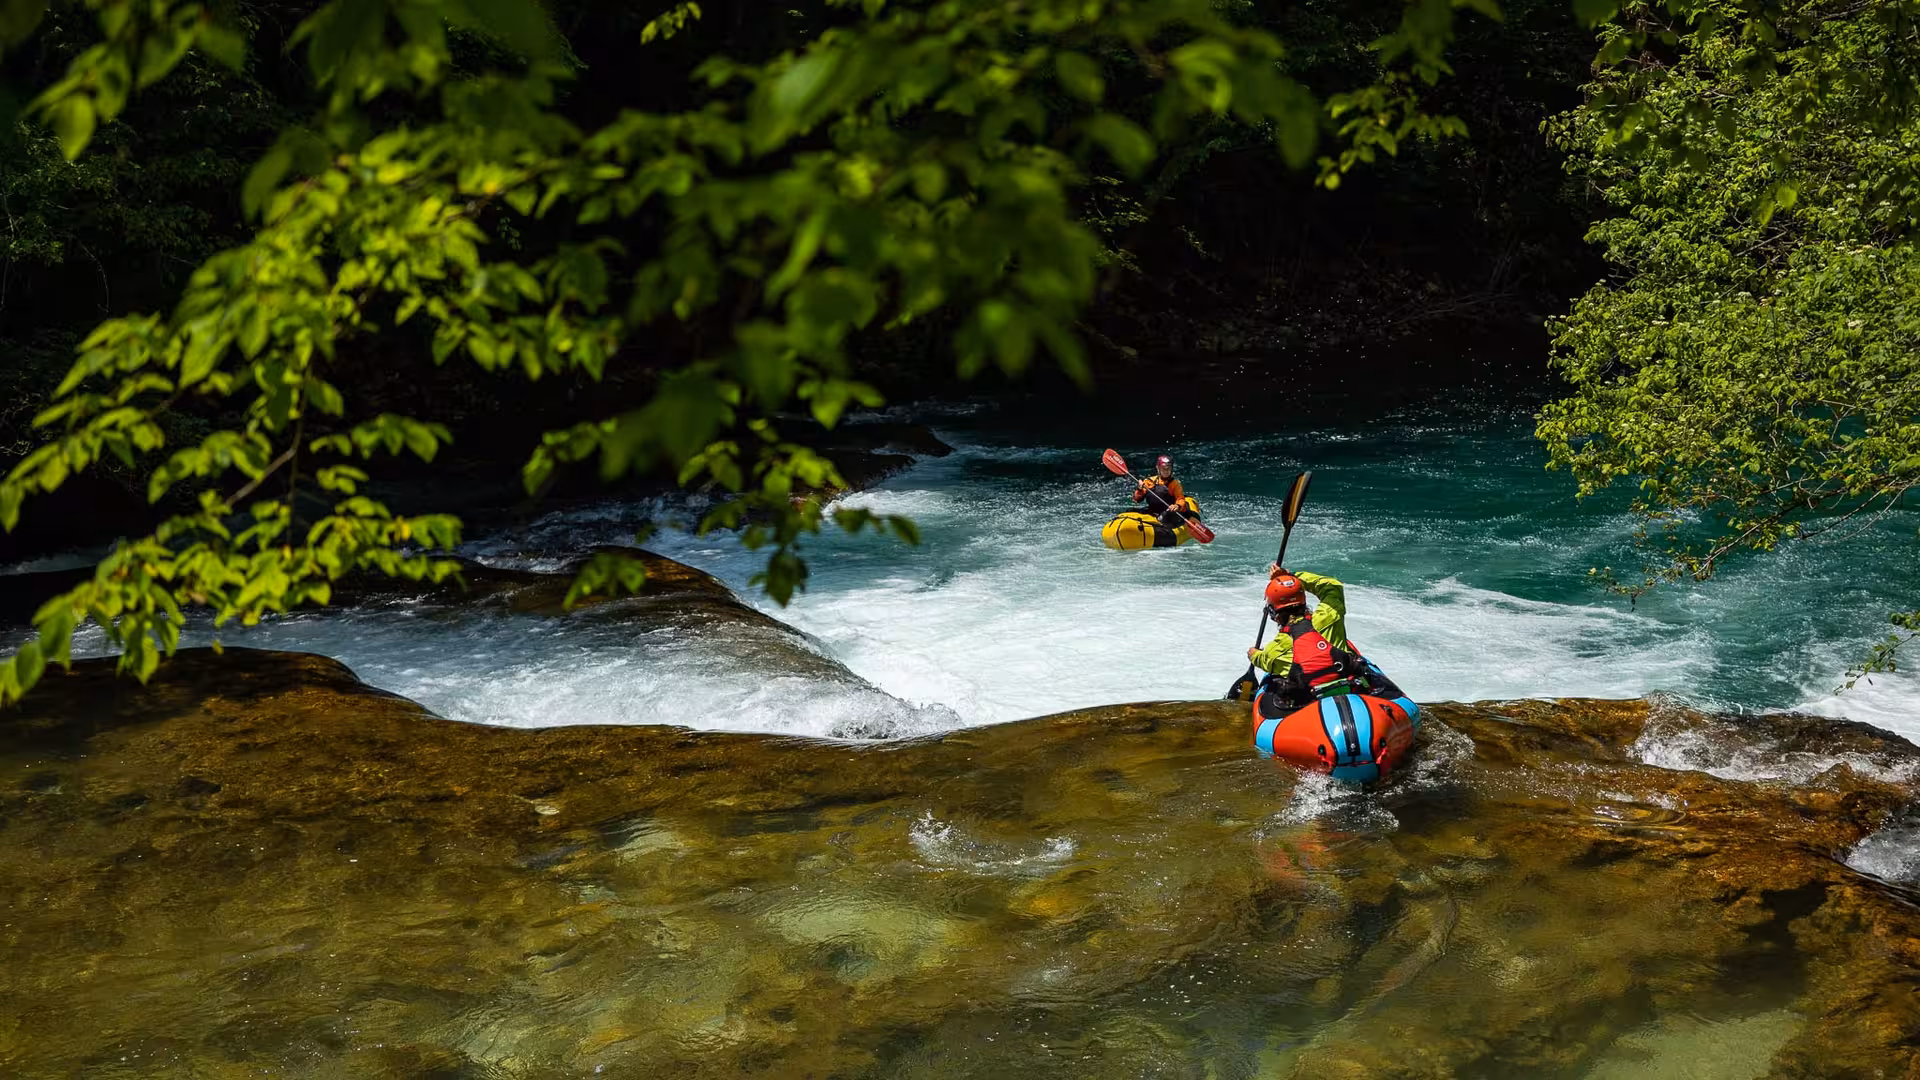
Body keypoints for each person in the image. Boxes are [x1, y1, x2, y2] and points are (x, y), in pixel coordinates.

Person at [1246, 567, 1401, 711]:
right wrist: (1292, 577)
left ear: (1274, 614)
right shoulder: (1330, 615)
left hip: (1314, 703)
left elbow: (1262, 659)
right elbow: (1332, 586)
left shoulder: (1274, 652)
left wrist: (1253, 654)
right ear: (1303, 601)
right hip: (1354, 687)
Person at [1133, 455, 1189, 527]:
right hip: (1152, 510)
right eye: (1163, 469)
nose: (1166, 471)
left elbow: (1180, 499)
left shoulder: (1175, 484)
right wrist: (1139, 489)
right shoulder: (1149, 481)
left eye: (1168, 469)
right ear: (1158, 468)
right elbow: (1137, 499)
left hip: (1168, 512)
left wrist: (1177, 506)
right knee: (1130, 510)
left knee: (1166, 515)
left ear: (1171, 469)